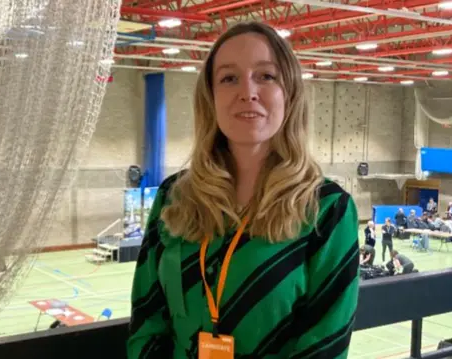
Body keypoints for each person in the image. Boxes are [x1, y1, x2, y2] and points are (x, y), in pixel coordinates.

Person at [127, 22, 359, 359]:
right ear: (210, 97)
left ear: (289, 94)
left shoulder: (327, 210)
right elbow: (146, 321)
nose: (247, 92)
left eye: (266, 76)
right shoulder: (173, 196)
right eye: (228, 78)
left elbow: (325, 346)